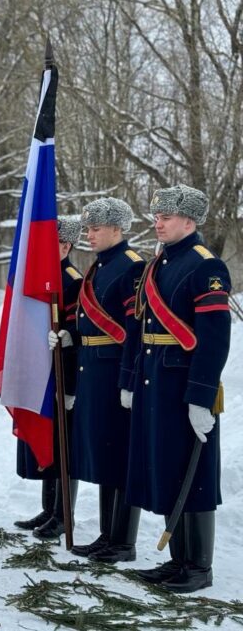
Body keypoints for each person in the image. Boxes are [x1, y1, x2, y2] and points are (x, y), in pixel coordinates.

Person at [126, 185, 231, 592]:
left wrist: (200, 397)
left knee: (196, 472)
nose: (158, 223)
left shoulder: (206, 266)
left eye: (165, 217)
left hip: (184, 383)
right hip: (157, 380)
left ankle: (199, 567)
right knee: (170, 469)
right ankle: (179, 560)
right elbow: (145, 330)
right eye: (156, 216)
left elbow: (215, 338)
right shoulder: (162, 263)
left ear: (189, 221)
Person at [45, 198, 145, 565]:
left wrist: (129, 379)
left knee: (118, 457)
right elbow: (86, 319)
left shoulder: (132, 267)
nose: (88, 235)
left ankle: (123, 541)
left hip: (114, 371)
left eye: (95, 229)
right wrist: (71, 335)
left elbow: (134, 330)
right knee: (105, 456)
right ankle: (108, 535)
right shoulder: (98, 267)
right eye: (86, 229)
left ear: (117, 229)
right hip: (93, 369)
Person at [14, 217, 82, 530]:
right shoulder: (42, 277)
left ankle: (61, 513)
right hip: (40, 370)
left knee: (62, 444)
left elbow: (75, 331)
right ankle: (48, 509)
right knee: (47, 440)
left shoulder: (71, 279)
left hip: (60, 371)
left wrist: (68, 385)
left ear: (65, 246)